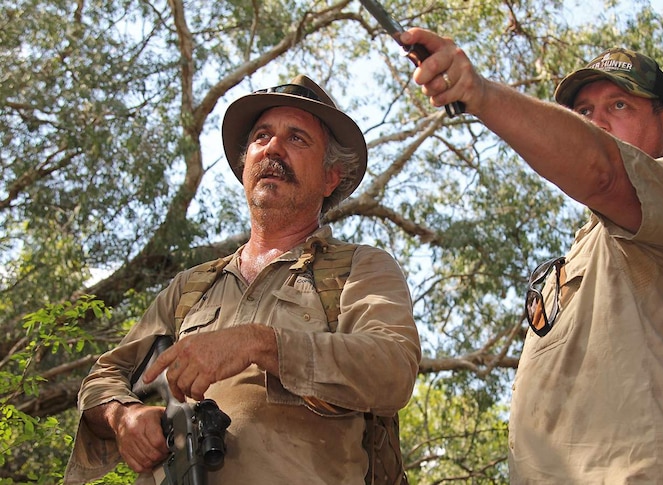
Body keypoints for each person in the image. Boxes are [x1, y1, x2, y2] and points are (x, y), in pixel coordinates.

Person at [401, 28, 663, 484]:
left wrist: (478, 93)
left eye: (619, 106)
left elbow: (602, 172)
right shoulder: (588, 247)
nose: (597, 122)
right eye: (584, 111)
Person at [64, 75, 422, 485]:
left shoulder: (360, 267)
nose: (273, 148)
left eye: (297, 139)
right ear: (245, 165)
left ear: (330, 178)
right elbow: (103, 377)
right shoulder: (190, 287)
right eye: (262, 137)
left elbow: (392, 368)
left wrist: (259, 343)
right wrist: (123, 416)